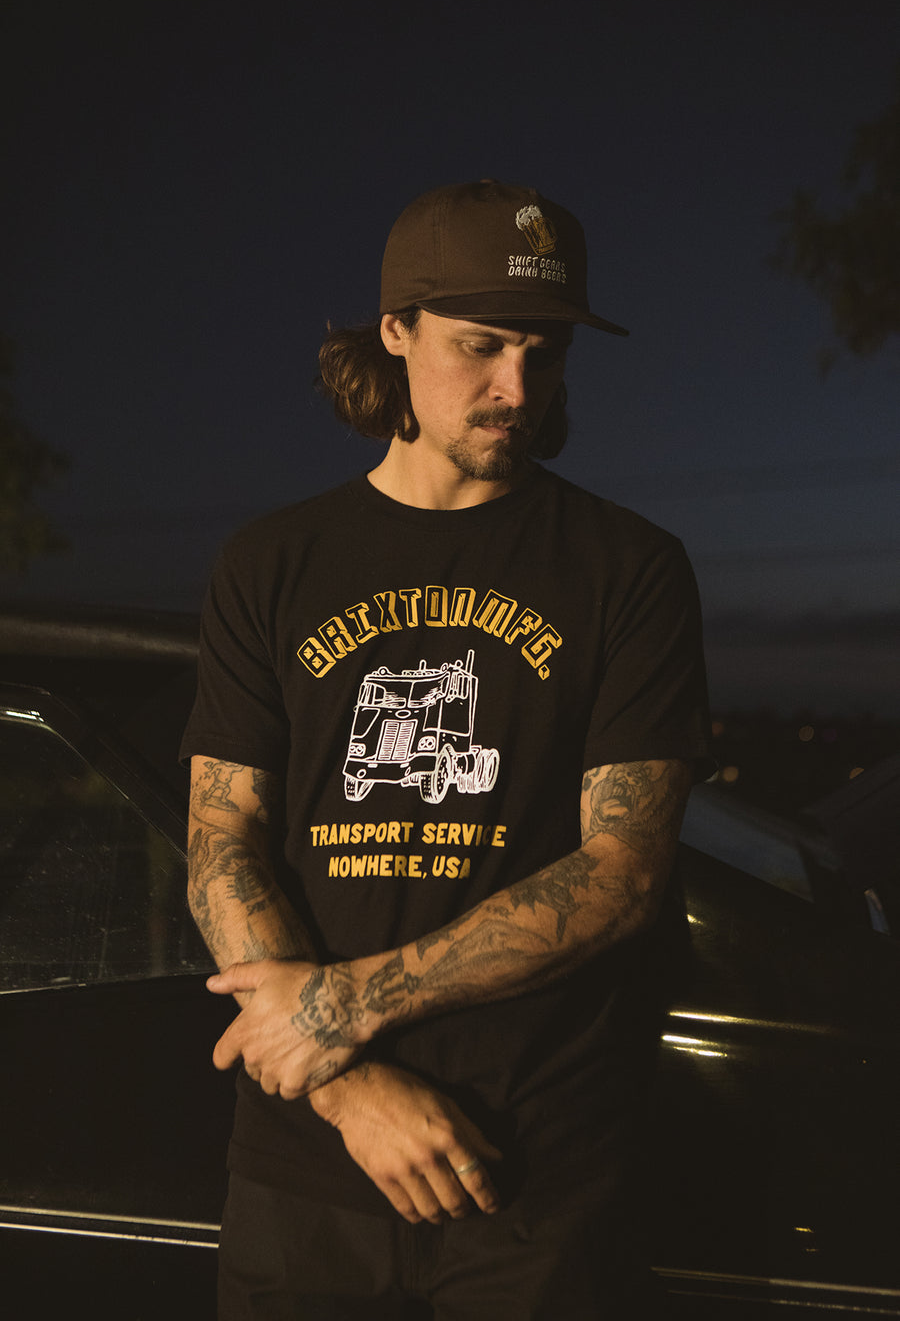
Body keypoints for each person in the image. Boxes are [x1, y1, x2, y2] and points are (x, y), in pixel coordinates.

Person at [181, 178, 712, 1320]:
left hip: (534, 1175)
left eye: (544, 354)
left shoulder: (630, 568)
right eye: (481, 345)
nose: (517, 387)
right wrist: (347, 1083)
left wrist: (345, 1006)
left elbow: (622, 872)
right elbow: (223, 840)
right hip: (306, 1169)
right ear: (395, 330)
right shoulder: (271, 563)